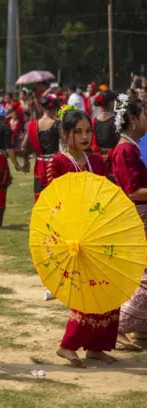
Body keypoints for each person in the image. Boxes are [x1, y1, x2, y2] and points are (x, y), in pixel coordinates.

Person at [47, 107, 119, 367]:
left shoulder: (97, 161)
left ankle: (97, 347)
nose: (85, 136)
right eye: (78, 131)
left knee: (109, 289)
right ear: (66, 134)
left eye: (88, 130)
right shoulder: (59, 162)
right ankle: (68, 345)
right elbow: (54, 202)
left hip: (99, 232)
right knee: (87, 292)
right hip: (75, 237)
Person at [109, 95, 147, 349]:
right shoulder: (124, 150)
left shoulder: (131, 147)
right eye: (145, 113)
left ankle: (141, 329)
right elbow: (131, 191)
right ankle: (118, 326)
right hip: (140, 216)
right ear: (133, 119)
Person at [21, 96, 61, 201]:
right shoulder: (57, 124)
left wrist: (26, 162)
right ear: (54, 109)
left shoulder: (32, 125)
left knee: (40, 199)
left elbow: (23, 147)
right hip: (54, 165)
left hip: (39, 165)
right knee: (55, 199)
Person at [90, 90, 120, 182]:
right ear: (111, 103)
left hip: (98, 159)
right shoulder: (116, 121)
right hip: (113, 160)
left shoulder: (94, 121)